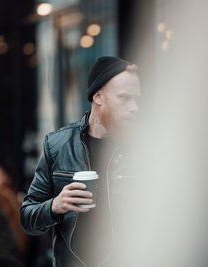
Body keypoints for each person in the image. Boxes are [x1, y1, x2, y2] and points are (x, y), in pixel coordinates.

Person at [21, 56, 140, 267]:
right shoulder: (58, 145)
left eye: (136, 99)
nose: (134, 108)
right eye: (124, 98)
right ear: (98, 97)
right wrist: (55, 206)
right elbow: (28, 218)